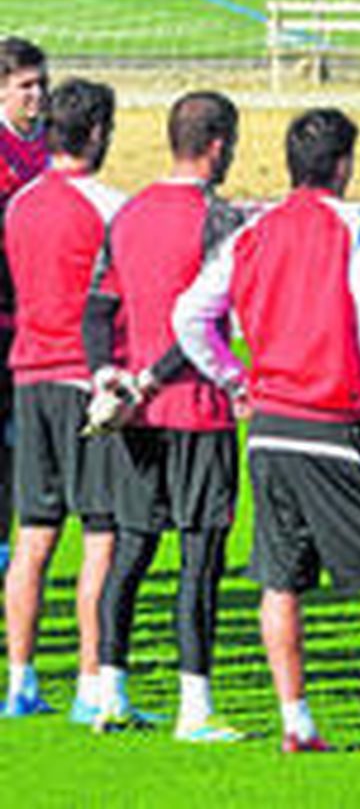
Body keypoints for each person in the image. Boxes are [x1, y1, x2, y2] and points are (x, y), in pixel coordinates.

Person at [173, 108, 360, 755]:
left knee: (281, 579)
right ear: (343, 164)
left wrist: (234, 379)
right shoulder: (359, 228)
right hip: (333, 421)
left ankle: (297, 723)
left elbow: (189, 315)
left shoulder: (251, 231)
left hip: (269, 430)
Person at [81, 91, 247, 741]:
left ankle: (110, 695)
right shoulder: (221, 219)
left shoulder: (128, 214)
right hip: (196, 408)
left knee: (130, 550)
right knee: (199, 559)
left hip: (134, 417)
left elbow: (98, 308)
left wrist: (108, 375)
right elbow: (201, 322)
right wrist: (156, 376)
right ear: (218, 144)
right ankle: (194, 708)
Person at [2, 78, 122, 722]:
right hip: (84, 381)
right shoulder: (109, 208)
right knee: (100, 533)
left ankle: (20, 681)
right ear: (98, 132)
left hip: (29, 377)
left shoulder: (19, 205)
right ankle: (90, 683)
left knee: (33, 535)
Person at [0, 38, 48, 577]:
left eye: (41, 84)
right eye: (25, 86)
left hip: (34, 323)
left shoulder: (51, 146)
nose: (37, 95)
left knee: (19, 448)